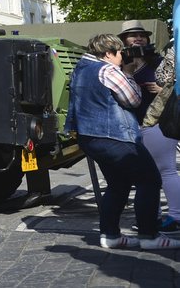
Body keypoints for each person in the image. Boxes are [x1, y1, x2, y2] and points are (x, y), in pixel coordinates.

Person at [65, 33, 180, 249]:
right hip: (114, 136)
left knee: (118, 184)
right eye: (119, 53)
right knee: (150, 180)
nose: (122, 57)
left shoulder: (80, 69)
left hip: (89, 137)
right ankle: (149, 237)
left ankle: (110, 236)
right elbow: (134, 99)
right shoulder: (108, 70)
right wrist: (126, 74)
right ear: (108, 53)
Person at [119, 19, 180, 234]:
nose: (138, 38)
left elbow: (175, 85)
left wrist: (163, 89)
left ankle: (175, 216)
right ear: (124, 41)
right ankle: (153, 216)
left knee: (165, 170)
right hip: (135, 125)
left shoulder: (158, 62)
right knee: (148, 175)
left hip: (159, 123)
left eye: (142, 35)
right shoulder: (121, 64)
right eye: (132, 35)